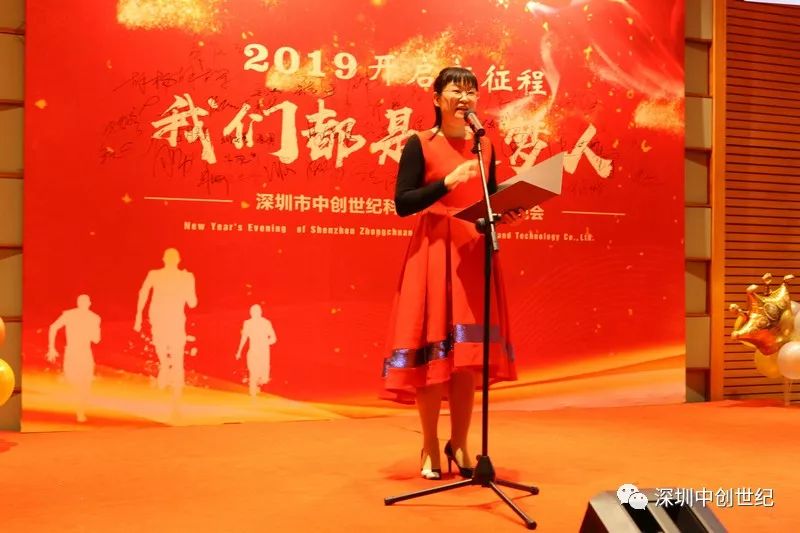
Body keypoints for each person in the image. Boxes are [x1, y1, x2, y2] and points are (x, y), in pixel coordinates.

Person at [382, 66, 523, 480]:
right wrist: (446, 181)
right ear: (437, 98)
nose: (465, 97)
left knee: (467, 358)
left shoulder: (484, 145)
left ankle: (459, 442)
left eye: (471, 91)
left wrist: (507, 211)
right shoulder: (420, 143)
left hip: (473, 251)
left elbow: (489, 196)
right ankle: (429, 443)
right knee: (433, 354)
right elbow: (403, 203)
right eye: (456, 90)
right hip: (434, 252)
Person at [134, 248, 197, 416]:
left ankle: (164, 367)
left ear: (163, 259)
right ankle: (175, 401)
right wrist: (189, 283)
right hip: (171, 319)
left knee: (168, 354)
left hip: (161, 319)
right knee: (177, 359)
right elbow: (192, 303)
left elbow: (143, 293)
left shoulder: (156, 275)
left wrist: (138, 316)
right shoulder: (184, 277)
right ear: (179, 260)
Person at [47, 294, 101, 423]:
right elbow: (53, 327)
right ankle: (74, 404)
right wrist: (51, 348)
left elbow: (96, 339)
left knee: (85, 382)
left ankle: (80, 412)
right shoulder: (69, 315)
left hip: (85, 353)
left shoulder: (94, 318)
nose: (82, 304)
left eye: (84, 302)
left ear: (89, 303)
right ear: (78, 303)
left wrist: (92, 330)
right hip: (72, 352)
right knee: (73, 380)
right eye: (80, 302)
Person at [235, 304, 277, 397]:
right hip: (253, 351)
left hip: (264, 352)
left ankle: (257, 383)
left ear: (260, 312)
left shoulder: (266, 323)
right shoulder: (247, 323)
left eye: (256, 311)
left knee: (264, 379)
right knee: (253, 372)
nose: (254, 313)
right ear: (250, 313)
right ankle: (253, 390)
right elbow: (244, 338)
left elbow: (274, 338)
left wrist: (266, 342)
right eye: (252, 311)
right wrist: (239, 351)